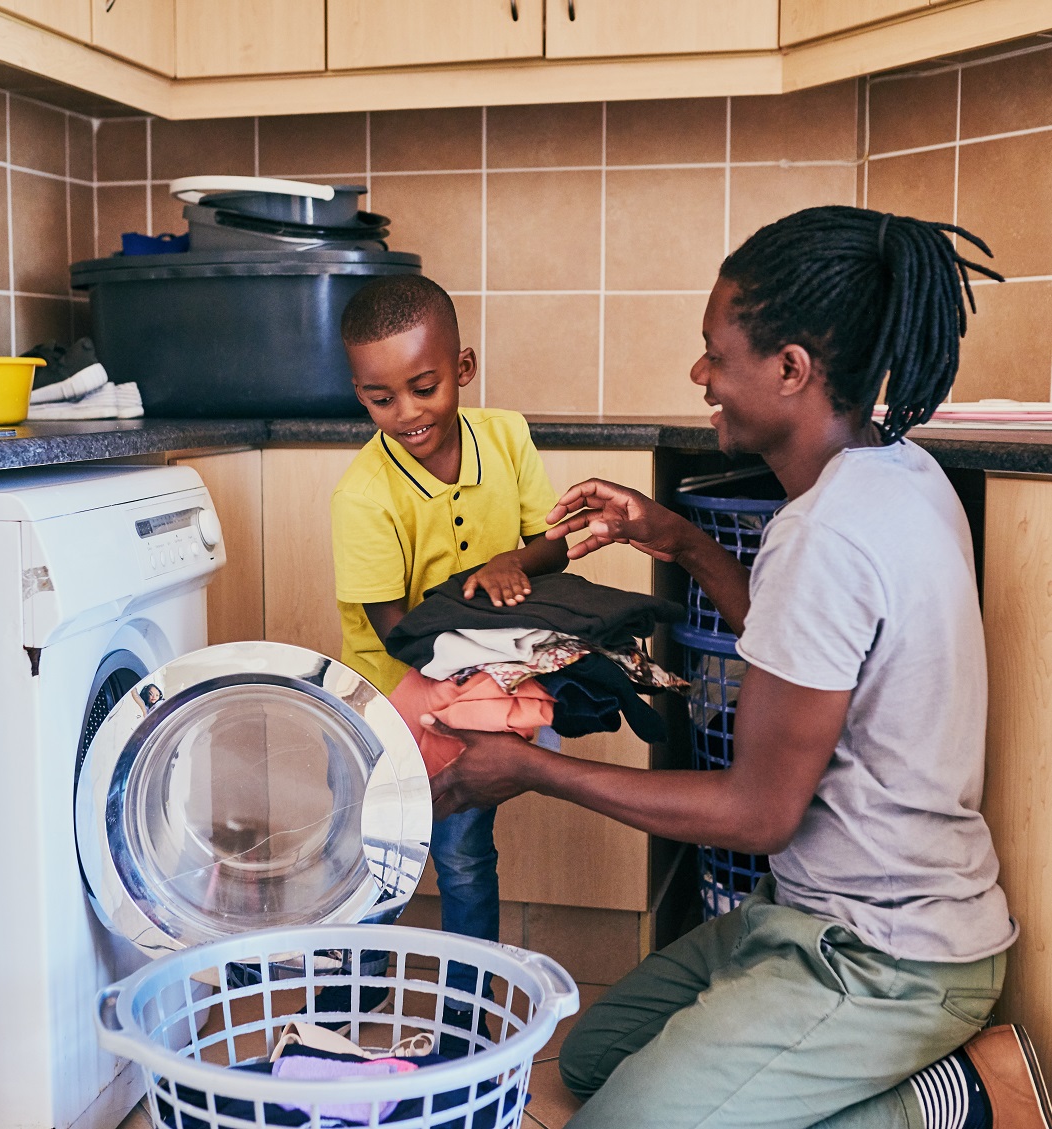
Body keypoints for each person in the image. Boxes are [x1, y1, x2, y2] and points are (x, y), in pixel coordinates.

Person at [425, 206, 1052, 1127]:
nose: (700, 375)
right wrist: (677, 538)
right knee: (596, 1060)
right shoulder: (897, 472)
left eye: (716, 354)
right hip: (808, 911)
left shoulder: (825, 535)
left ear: (791, 368)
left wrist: (531, 769)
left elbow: (757, 814)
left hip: (886, 954)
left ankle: (954, 1098)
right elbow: (809, 665)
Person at [329, 273, 569, 1049]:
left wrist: (511, 558)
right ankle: (351, 992)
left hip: (476, 681)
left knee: (465, 853)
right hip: (391, 691)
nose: (405, 414)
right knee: (377, 852)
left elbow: (555, 540)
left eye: (423, 387)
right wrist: (472, 652)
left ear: (461, 369)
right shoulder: (364, 494)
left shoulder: (506, 435)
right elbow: (396, 631)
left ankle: (466, 1011)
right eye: (379, 398)